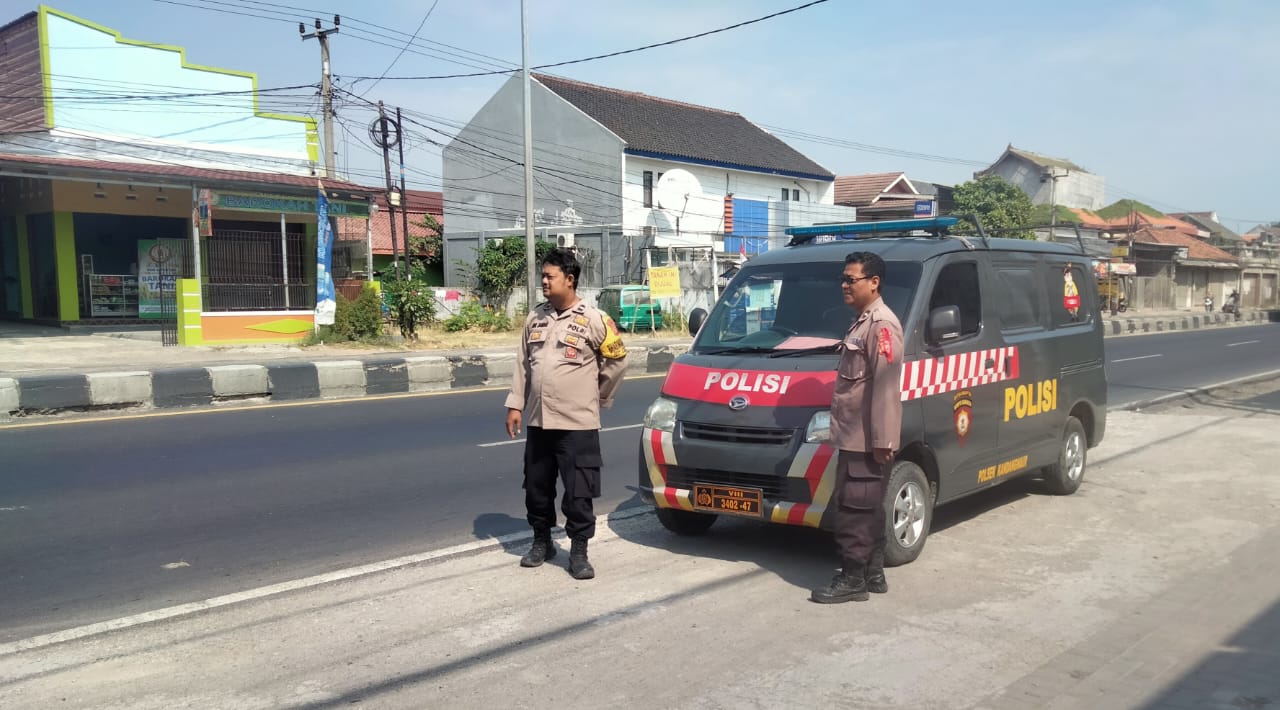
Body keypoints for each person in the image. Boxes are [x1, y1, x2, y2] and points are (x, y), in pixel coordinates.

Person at [505, 248, 628, 580]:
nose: (544, 281)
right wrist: (515, 404)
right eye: (543, 276)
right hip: (539, 420)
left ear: (569, 279)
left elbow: (617, 361)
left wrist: (598, 396)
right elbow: (522, 364)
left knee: (579, 491)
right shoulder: (535, 317)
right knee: (537, 487)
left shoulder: (594, 319)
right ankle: (541, 541)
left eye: (550, 276)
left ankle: (579, 552)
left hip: (578, 423)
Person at [811, 251, 904, 604]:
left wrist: (882, 440)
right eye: (843, 279)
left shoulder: (881, 324)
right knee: (867, 506)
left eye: (851, 280)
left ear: (874, 282)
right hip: (855, 436)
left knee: (854, 509)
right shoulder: (863, 322)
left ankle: (853, 580)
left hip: (866, 440)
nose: (844, 285)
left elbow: (885, 387)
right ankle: (873, 573)